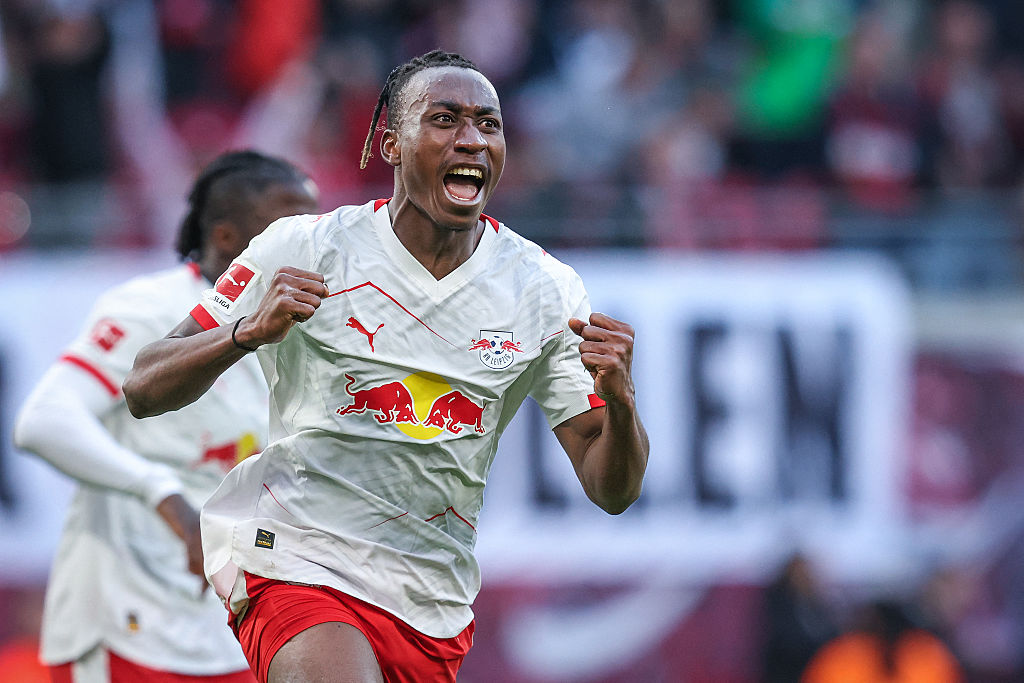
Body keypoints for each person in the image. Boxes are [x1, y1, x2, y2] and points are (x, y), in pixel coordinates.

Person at [123, 50, 649, 683]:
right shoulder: (305, 246)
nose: (471, 139)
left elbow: (612, 490)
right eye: (444, 119)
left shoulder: (544, 289)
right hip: (293, 555)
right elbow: (143, 386)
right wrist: (245, 332)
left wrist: (621, 402)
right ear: (390, 144)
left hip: (430, 599)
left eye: (488, 123)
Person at [13, 150, 319, 682]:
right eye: (289, 226)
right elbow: (43, 421)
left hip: (236, 629)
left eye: (314, 225)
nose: (309, 241)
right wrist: (162, 493)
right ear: (226, 237)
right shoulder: (149, 309)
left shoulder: (303, 328)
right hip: (128, 623)